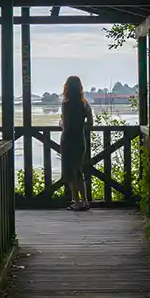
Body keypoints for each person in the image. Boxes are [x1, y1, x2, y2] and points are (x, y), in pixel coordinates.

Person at [60, 75, 93, 211]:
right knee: (78, 171)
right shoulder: (84, 103)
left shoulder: (66, 104)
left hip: (68, 140)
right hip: (80, 139)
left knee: (69, 172)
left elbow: (66, 125)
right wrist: (80, 126)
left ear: (67, 87)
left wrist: (61, 124)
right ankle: (85, 201)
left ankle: (76, 202)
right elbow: (90, 123)